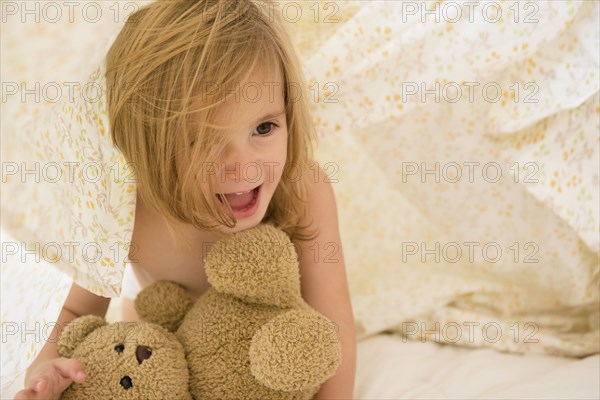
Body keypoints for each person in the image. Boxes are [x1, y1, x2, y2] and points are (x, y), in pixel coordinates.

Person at [14, 1, 356, 399]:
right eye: (201, 141)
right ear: (144, 147)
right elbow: (77, 312)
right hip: (160, 359)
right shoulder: (126, 203)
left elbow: (334, 329)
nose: (243, 169)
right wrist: (44, 373)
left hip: (258, 365)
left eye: (264, 127)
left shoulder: (304, 189)